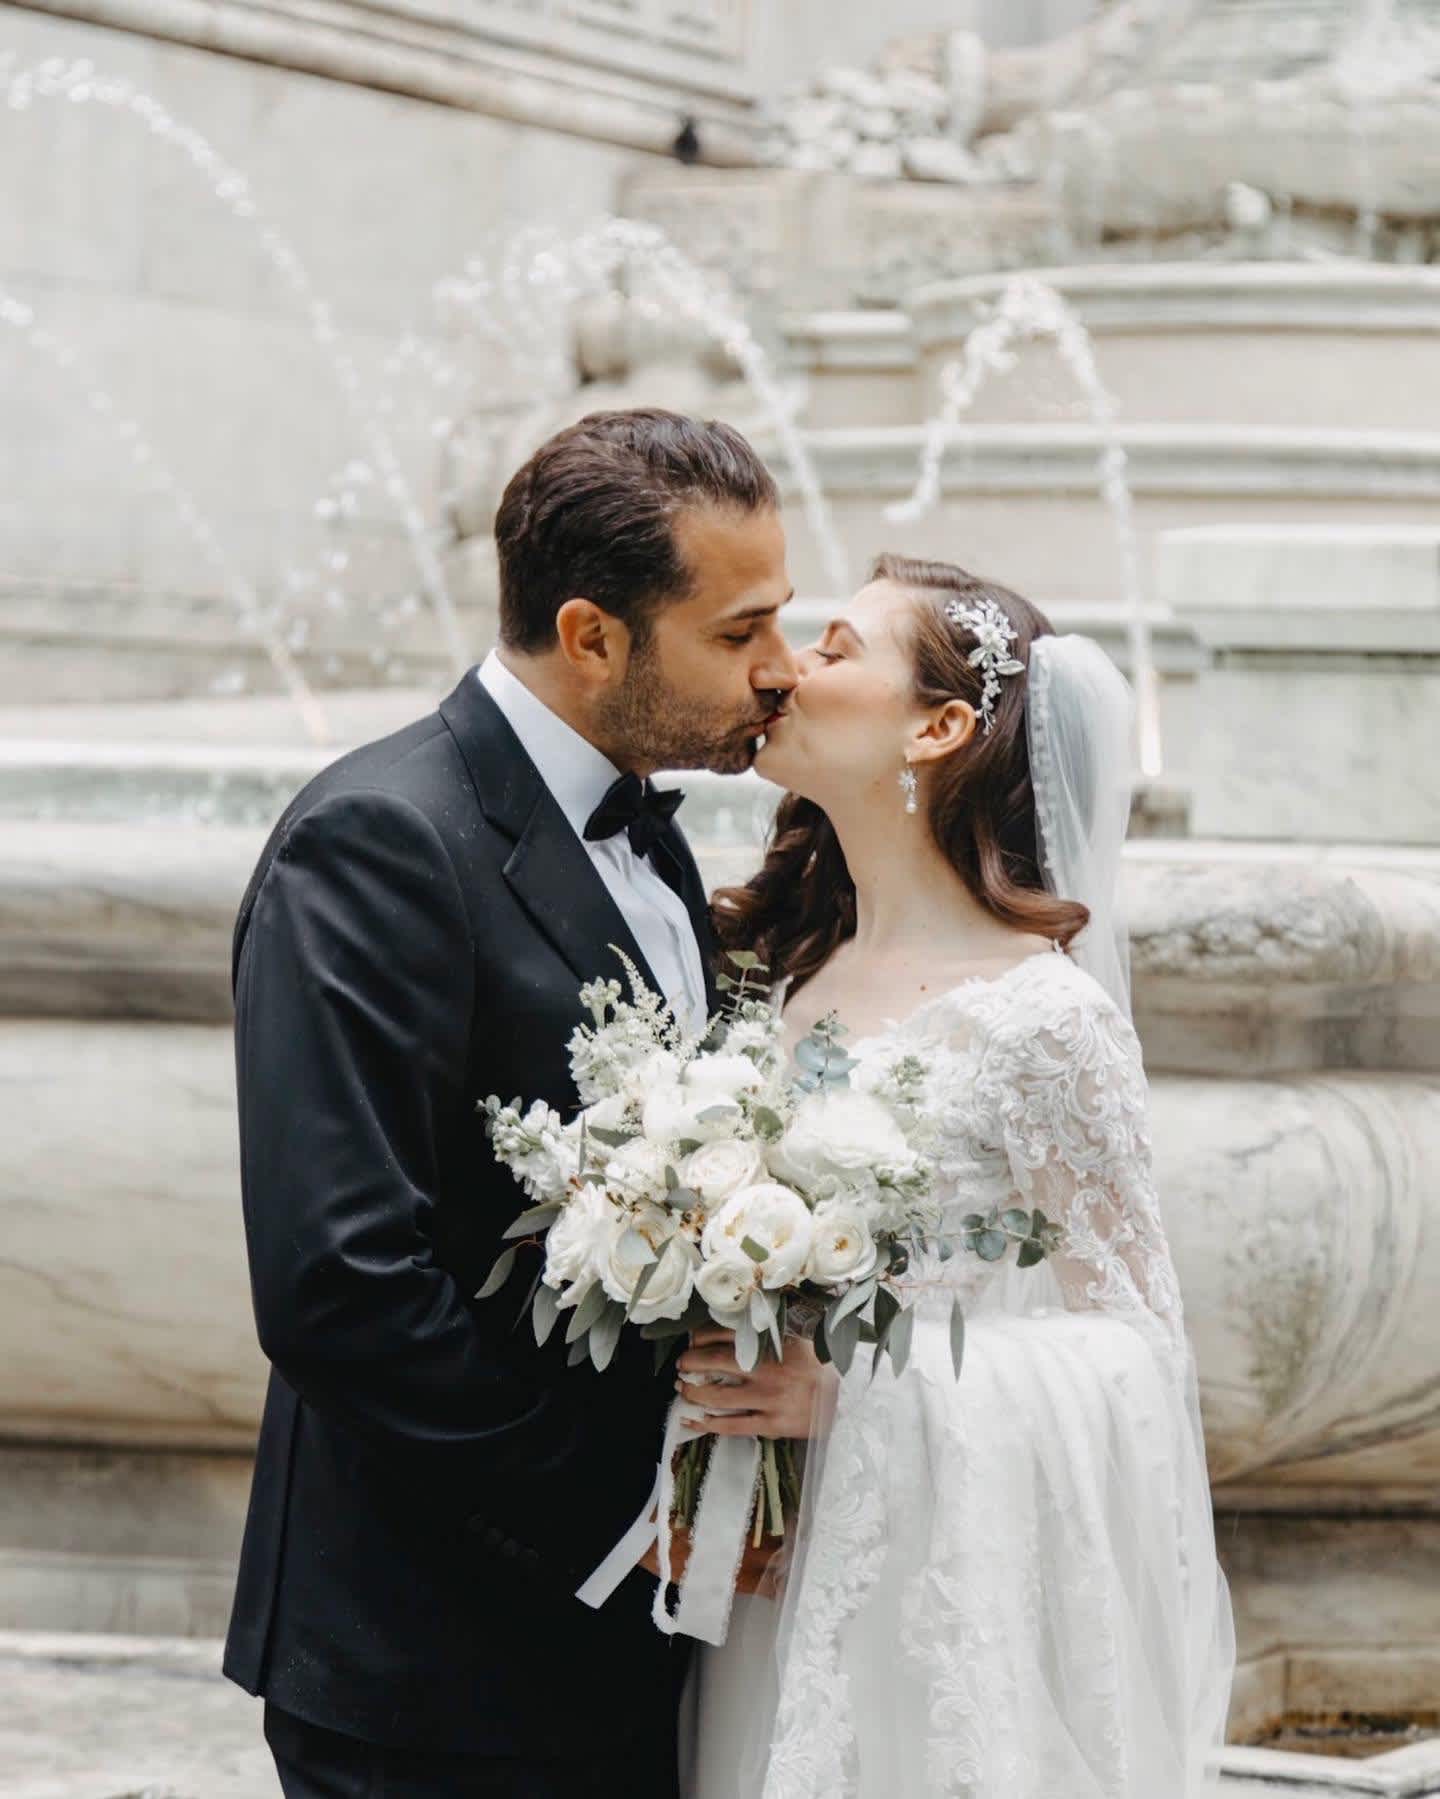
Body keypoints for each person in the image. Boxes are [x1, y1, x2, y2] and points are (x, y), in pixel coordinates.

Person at [223, 408, 819, 1796]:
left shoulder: (654, 835)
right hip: (431, 1662)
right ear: (592, 635)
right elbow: (340, 1285)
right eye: (740, 631)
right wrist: (632, 1502)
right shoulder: (378, 840)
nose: (781, 667)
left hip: (626, 1654)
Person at [681, 554, 1236, 1797]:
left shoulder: (1046, 1022)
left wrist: (867, 1395)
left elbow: (1136, 1354)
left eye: (835, 648)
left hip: (927, 1601)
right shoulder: (777, 968)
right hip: (768, 1580)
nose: (785, 670)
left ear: (935, 728)